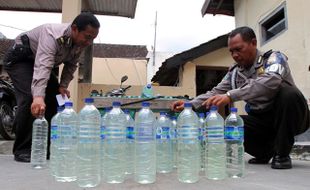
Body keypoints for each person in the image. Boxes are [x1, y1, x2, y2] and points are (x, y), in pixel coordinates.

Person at [172, 26, 309, 169]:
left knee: (288, 93)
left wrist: (231, 95)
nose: (235, 55)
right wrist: (191, 104)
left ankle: (282, 155)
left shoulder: (274, 58)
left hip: (291, 116)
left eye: (239, 49)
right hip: (263, 120)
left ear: (253, 43)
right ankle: (265, 152)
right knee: (231, 124)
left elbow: (271, 81)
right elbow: (216, 92)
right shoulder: (234, 73)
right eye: (231, 51)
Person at [3, 12, 100, 163]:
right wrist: (38, 97)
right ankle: (22, 149)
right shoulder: (51, 35)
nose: (89, 42)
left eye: (92, 39)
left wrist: (62, 86)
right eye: (87, 37)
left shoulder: (80, 43)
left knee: (56, 98)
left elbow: (71, 65)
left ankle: (46, 148)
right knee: (31, 97)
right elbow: (43, 66)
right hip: (20, 60)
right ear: (74, 29)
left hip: (38, 62)